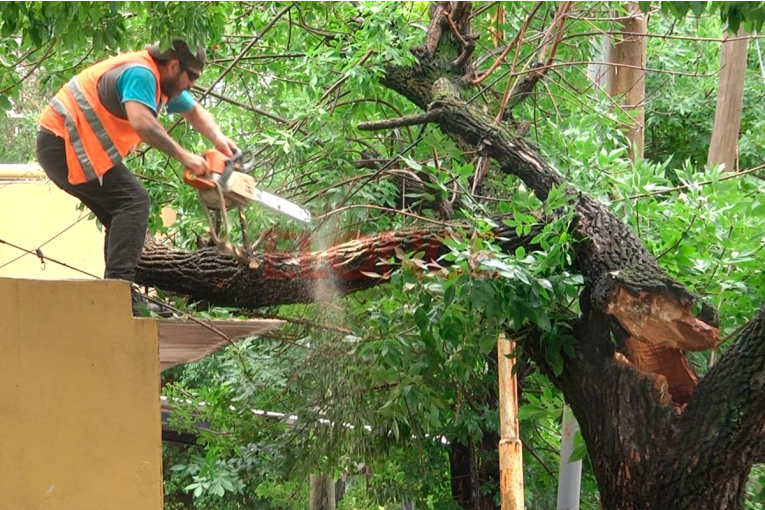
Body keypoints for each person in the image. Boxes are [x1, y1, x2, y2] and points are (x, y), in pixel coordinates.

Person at [36, 39, 237, 315]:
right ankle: (118, 293)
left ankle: (117, 293)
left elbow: (193, 111)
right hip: (62, 142)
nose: (192, 84)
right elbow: (143, 124)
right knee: (133, 201)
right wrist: (187, 157)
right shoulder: (141, 74)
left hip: (73, 143)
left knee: (121, 213)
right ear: (175, 65)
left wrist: (221, 141)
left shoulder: (162, 81)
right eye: (192, 77)